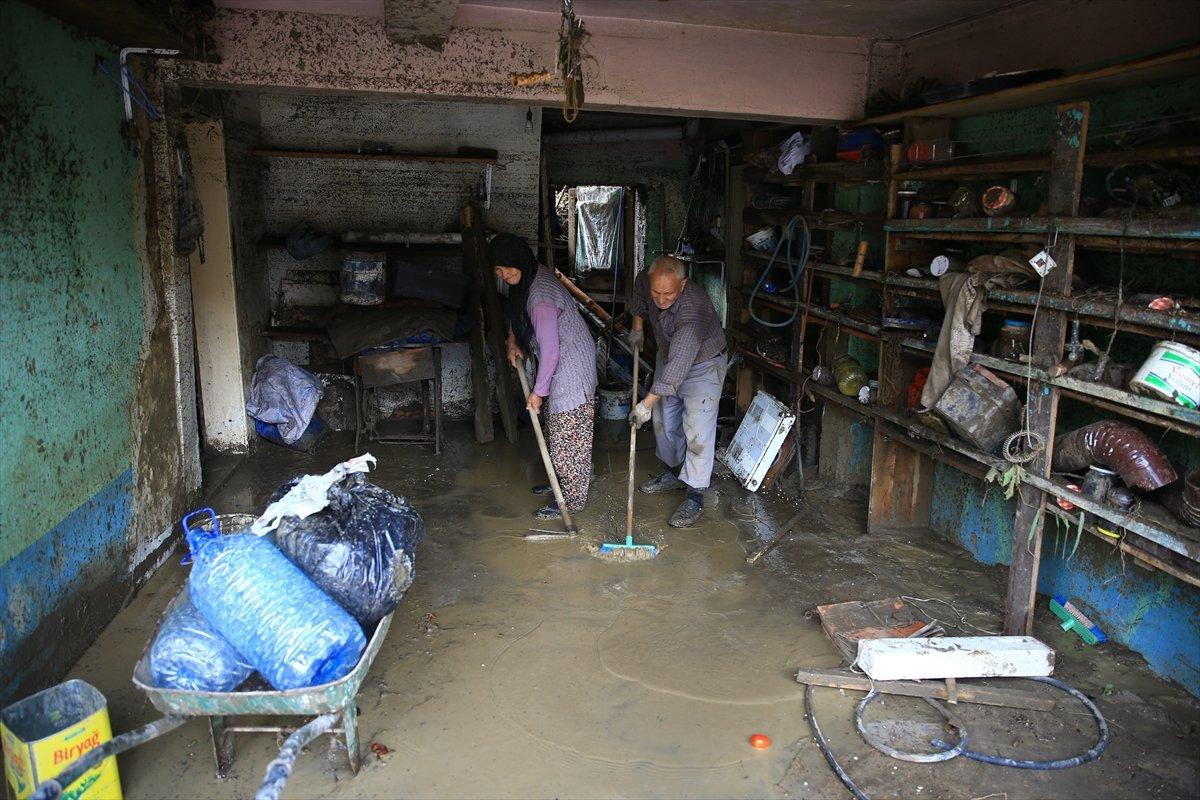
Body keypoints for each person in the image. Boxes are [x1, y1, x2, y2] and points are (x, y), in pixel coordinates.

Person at [491, 233, 598, 520]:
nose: (504, 275)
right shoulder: (527, 277)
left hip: (571, 363)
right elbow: (517, 314)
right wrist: (513, 338)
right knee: (555, 429)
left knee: (568, 434)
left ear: (520, 262)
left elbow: (550, 351)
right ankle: (559, 483)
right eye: (498, 270)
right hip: (557, 358)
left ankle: (572, 501)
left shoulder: (539, 296)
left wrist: (537, 393)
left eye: (508, 268)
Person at [627, 255, 727, 527]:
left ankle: (694, 496)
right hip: (669, 353)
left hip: (703, 364)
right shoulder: (647, 283)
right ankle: (673, 471)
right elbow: (639, 290)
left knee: (697, 429)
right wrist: (638, 325)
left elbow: (674, 372)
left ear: (682, 286)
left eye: (668, 294)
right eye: (656, 293)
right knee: (664, 420)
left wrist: (644, 404)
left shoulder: (692, 310)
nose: (660, 300)